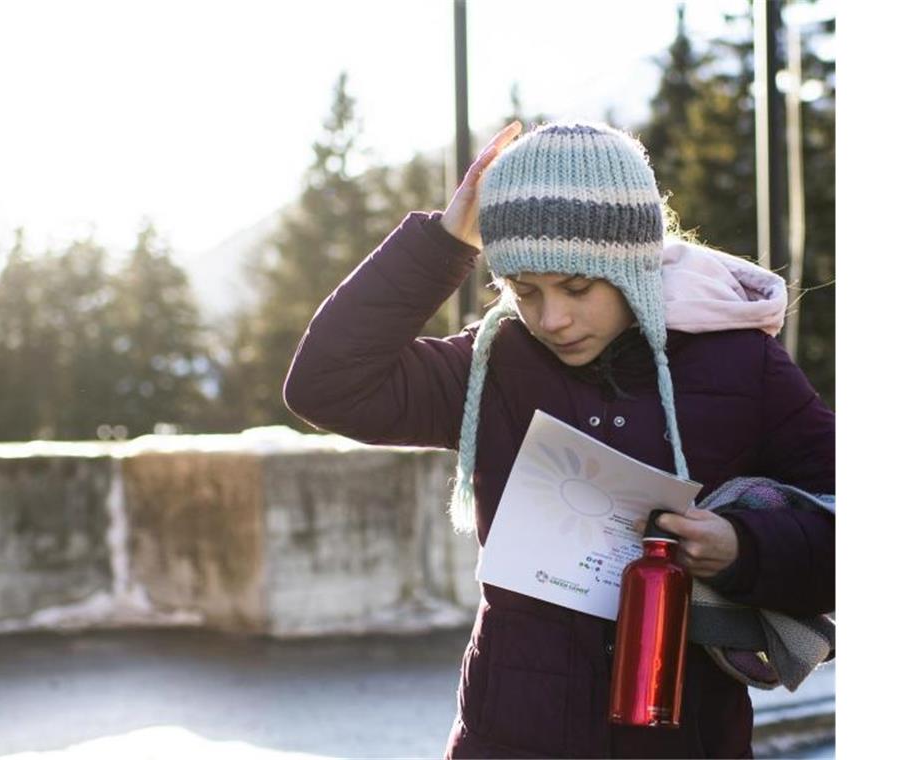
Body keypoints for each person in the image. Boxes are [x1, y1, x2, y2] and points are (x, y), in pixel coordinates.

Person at [282, 120, 834, 758]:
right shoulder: (493, 364)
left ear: (631, 263)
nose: (552, 319)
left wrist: (744, 549)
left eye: (577, 288)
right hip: (510, 738)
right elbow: (325, 386)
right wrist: (442, 243)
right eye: (524, 291)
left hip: (684, 739)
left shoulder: (742, 366)